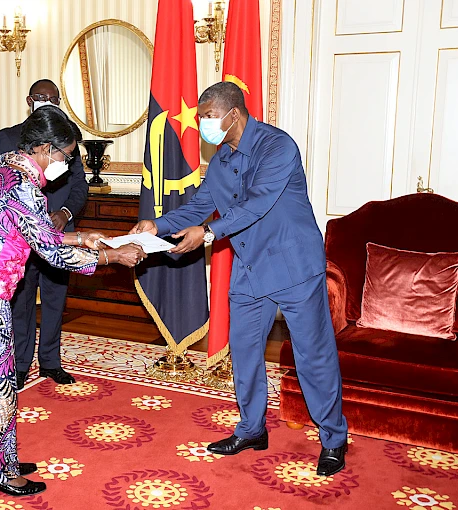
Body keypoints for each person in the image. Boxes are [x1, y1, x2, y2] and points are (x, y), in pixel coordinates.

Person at [130, 81, 348, 476]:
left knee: (312, 356)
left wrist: (209, 234)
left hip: (293, 265)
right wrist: (155, 226)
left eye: (209, 117)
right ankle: (251, 429)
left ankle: (333, 438)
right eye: (201, 119)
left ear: (234, 114)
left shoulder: (277, 147)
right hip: (250, 267)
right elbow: (200, 205)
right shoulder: (219, 160)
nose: (204, 126)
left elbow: (257, 203)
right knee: (244, 352)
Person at [0, 106, 146, 496]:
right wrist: (112, 256)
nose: (65, 164)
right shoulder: (23, 184)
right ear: (47, 149)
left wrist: (81, 237)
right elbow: (49, 250)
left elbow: (29, 228)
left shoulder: (5, 166)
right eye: (65, 156)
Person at [0, 79, 89, 391]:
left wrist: (65, 214)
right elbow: (5, 184)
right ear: (29, 99)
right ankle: (20, 364)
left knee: (55, 300)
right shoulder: (9, 137)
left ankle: (50, 362)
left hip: (61, 229)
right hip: (21, 238)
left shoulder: (68, 138)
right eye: (40, 96)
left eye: (52, 97)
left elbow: (79, 186)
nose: (46, 100)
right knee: (21, 303)